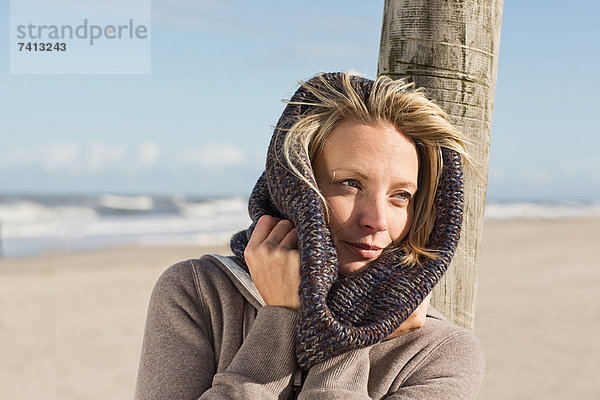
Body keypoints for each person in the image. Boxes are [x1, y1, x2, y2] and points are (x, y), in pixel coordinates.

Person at [135, 72, 485, 399]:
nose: (377, 220)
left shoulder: (443, 352)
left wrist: (353, 333)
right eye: (351, 184)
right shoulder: (200, 292)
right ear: (294, 186)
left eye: (400, 196)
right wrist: (279, 320)